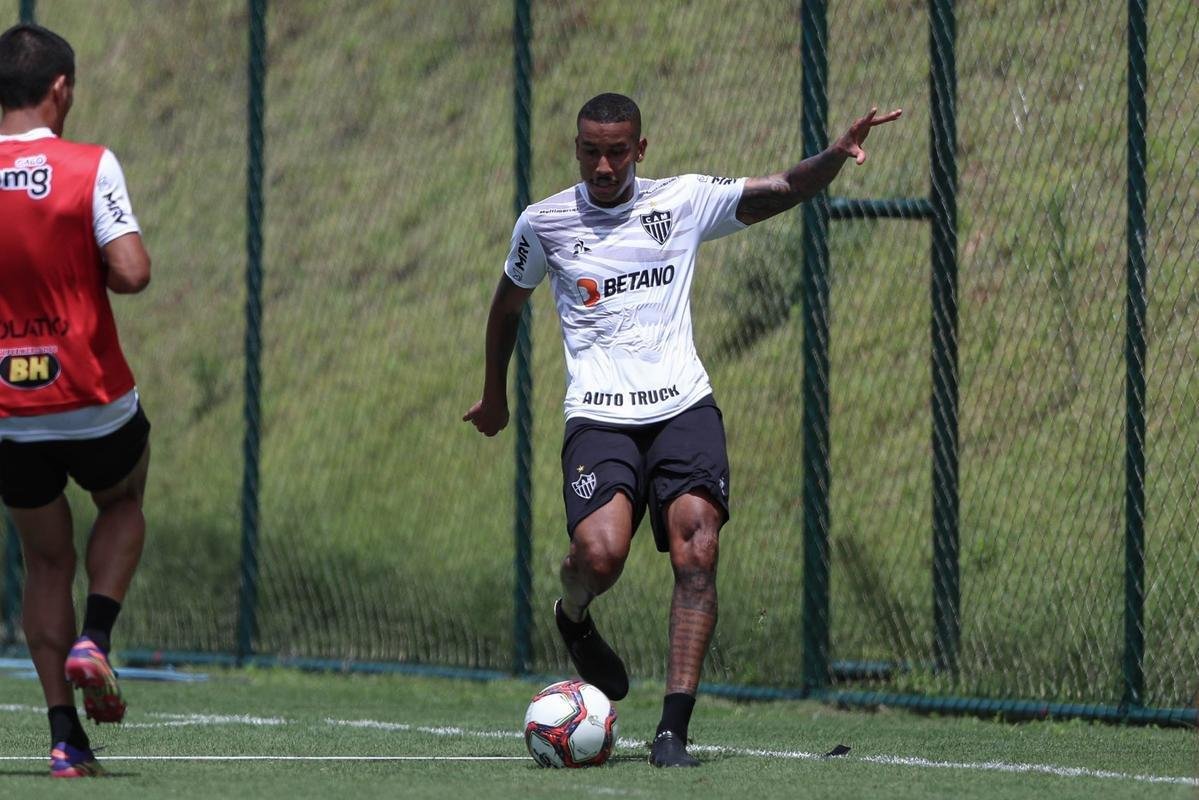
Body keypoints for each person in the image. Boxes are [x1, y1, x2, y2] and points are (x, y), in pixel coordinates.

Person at [465, 92, 900, 766]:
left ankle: (672, 731)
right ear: (576, 149)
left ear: (640, 149)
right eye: (590, 151)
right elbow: (506, 306)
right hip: (599, 416)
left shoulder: (681, 201)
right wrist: (494, 395)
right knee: (600, 556)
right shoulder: (543, 223)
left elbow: (779, 188)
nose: (603, 165)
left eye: (617, 151)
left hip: (683, 407)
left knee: (696, 549)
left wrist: (835, 157)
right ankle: (571, 615)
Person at [0, 23, 152, 779]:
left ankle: (65, 739)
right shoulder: (89, 165)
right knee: (122, 499)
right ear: (60, 89)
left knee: (42, 557)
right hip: (91, 396)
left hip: (7, 413)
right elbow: (131, 271)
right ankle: (97, 634)